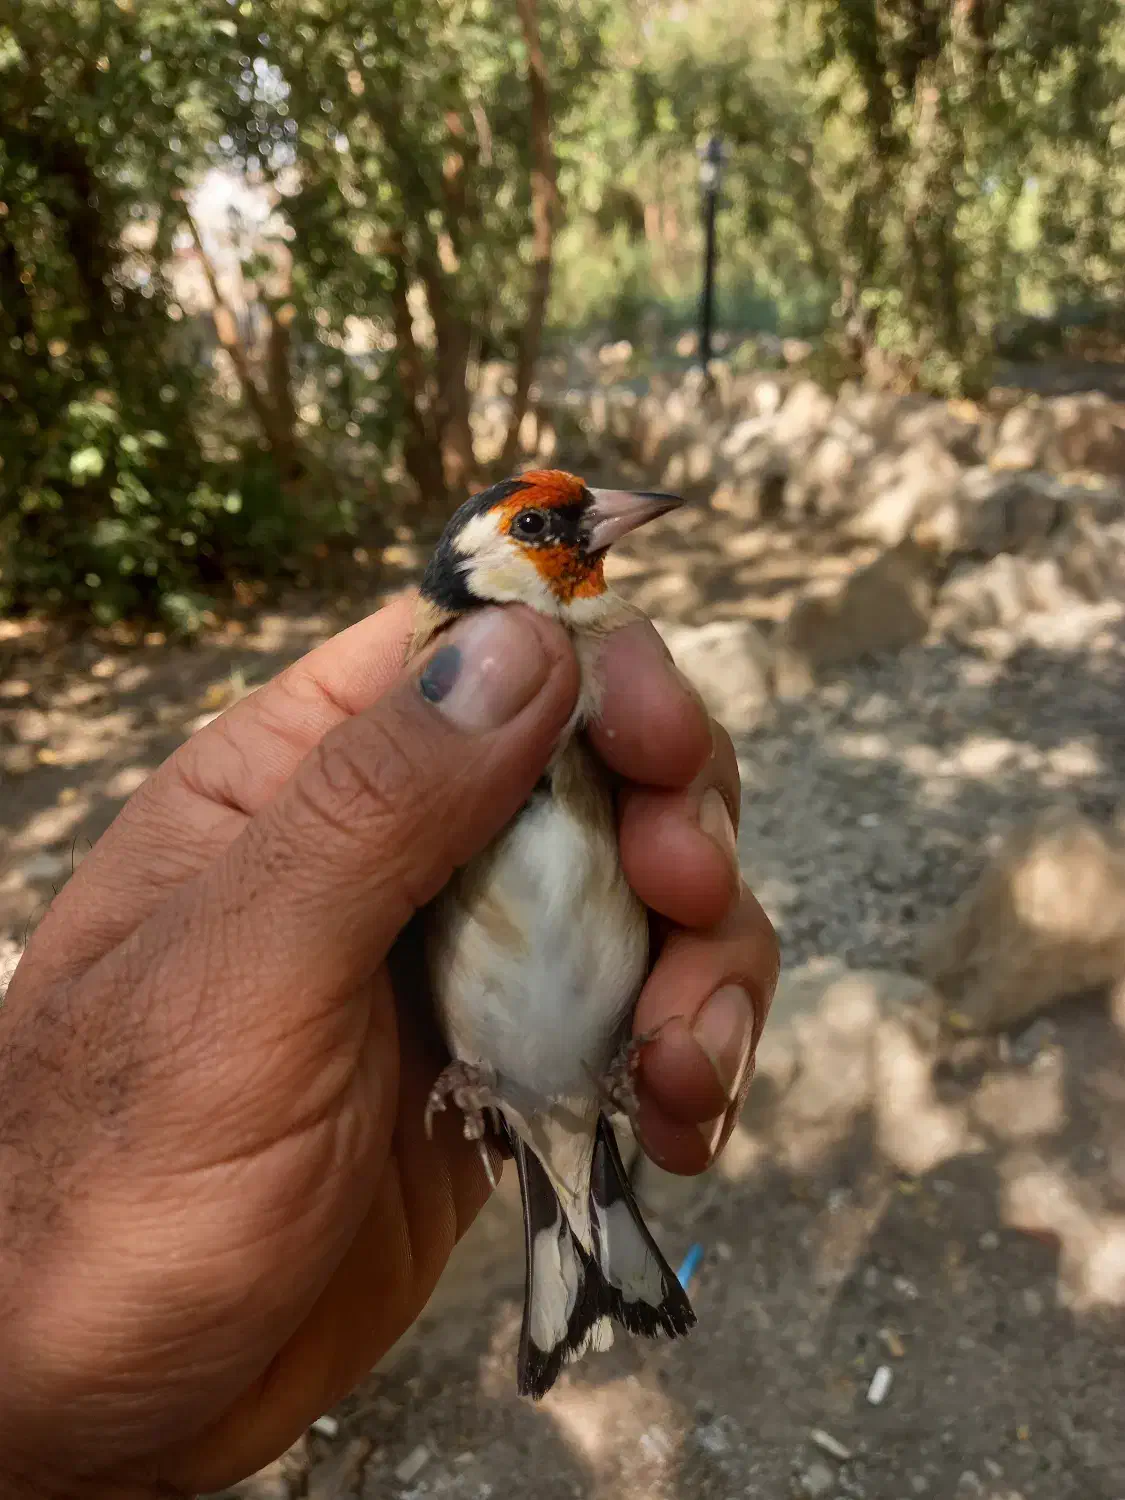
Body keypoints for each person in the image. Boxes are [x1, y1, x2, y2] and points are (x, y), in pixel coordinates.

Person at [0, 595, 779, 1498]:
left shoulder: (567, 713)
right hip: (484, 1070)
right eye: (544, 529)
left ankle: (582, 1171)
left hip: (572, 1066)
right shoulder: (456, 706)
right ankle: (574, 1216)